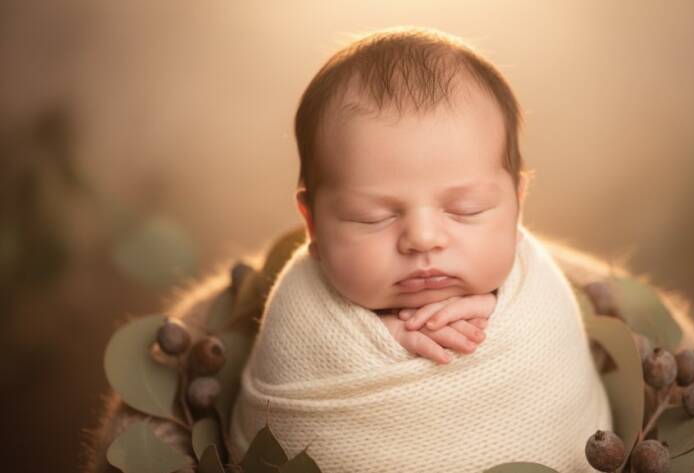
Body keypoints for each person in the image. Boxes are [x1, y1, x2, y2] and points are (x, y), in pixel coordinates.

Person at [229, 26, 613, 471]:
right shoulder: (298, 304)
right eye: (373, 217)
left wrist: (495, 312)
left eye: (467, 209)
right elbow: (291, 376)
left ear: (516, 206)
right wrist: (381, 341)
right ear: (312, 223)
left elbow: (550, 362)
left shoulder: (539, 290)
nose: (424, 238)